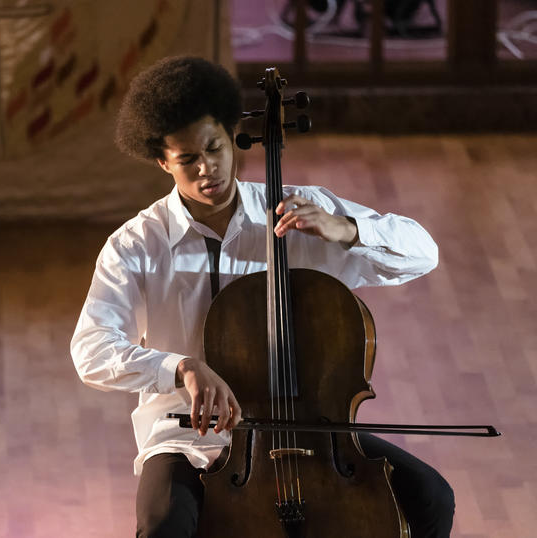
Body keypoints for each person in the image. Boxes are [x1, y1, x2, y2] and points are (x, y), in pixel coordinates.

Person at [70, 56, 454, 537]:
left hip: (309, 426)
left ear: (233, 136)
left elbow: (424, 253)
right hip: (190, 434)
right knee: (164, 524)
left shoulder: (297, 210)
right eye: (188, 159)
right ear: (163, 161)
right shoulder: (135, 245)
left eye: (215, 148)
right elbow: (91, 350)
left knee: (431, 496)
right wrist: (180, 367)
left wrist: (347, 229)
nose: (207, 168)